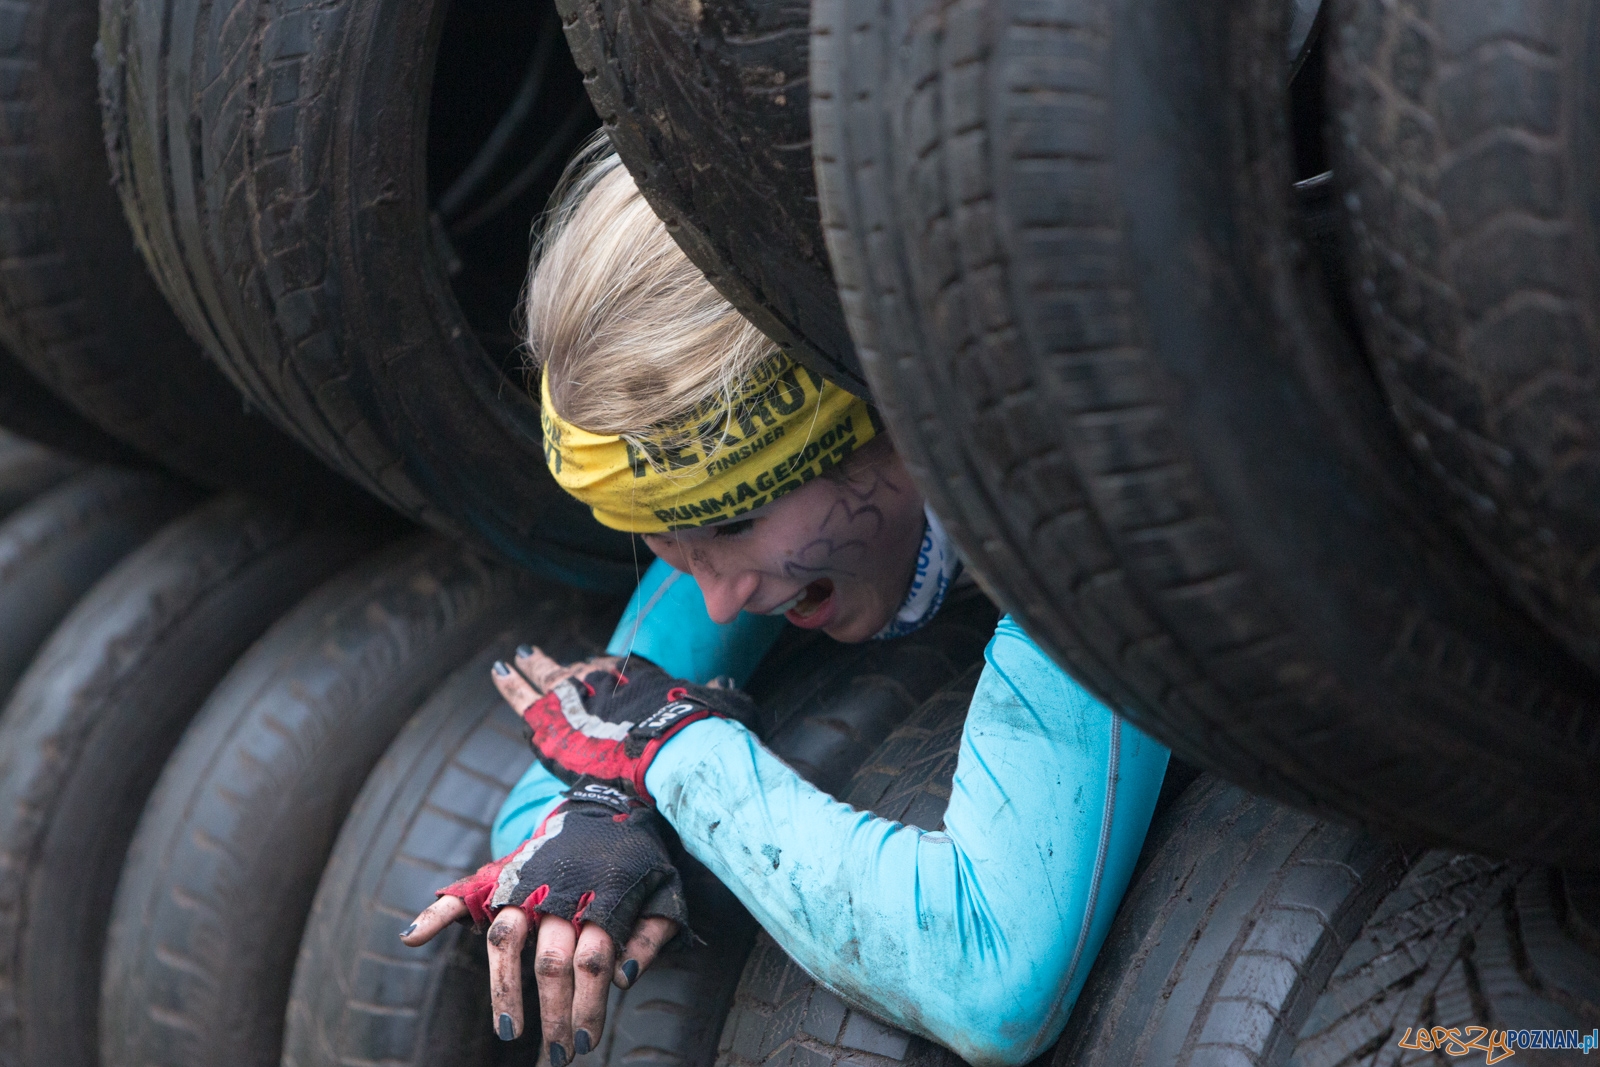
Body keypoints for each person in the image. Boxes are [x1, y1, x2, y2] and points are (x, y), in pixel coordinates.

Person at [402, 138, 1170, 1067]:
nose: (720, 603)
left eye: (730, 528)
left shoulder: (1101, 472)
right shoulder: (739, 507)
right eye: (665, 544)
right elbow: (560, 766)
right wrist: (595, 815)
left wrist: (677, 757)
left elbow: (991, 973)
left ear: (874, 407)